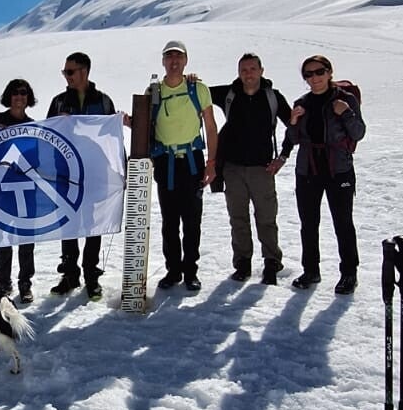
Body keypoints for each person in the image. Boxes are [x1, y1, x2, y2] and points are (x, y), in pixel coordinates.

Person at [279, 55, 365, 294]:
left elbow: (358, 133)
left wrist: (346, 113)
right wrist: (293, 122)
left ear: (329, 72)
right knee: (308, 223)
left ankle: (349, 273)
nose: (314, 78)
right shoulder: (302, 102)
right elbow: (294, 138)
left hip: (339, 170)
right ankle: (311, 270)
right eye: (308, 74)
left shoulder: (344, 99)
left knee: (343, 222)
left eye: (319, 72)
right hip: (308, 170)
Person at [210, 53, 292, 284]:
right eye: (244, 70)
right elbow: (199, 92)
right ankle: (242, 263)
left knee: (266, 219)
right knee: (238, 218)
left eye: (253, 69)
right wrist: (191, 80)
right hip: (233, 168)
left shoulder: (273, 97)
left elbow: (294, 126)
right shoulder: (229, 94)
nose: (248, 74)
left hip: (262, 169)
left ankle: (272, 262)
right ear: (238, 73)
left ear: (261, 71)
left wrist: (283, 156)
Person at [149, 41, 217, 292]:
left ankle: (190, 271)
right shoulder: (154, 91)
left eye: (178, 56)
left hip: (191, 161)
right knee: (169, 221)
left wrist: (212, 162)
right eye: (169, 57)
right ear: (163, 61)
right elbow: (146, 124)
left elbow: (210, 126)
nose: (174, 61)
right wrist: (128, 122)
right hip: (165, 162)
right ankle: (173, 270)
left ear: (186, 60)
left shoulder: (198, 88)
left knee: (191, 220)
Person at [47, 52, 115, 299]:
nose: (66, 76)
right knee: (69, 223)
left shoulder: (103, 101)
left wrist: (120, 169)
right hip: (65, 173)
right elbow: (47, 135)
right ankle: (69, 274)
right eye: (64, 72)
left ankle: (90, 274)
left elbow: (112, 138)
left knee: (92, 224)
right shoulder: (58, 102)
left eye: (70, 71)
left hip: (94, 173)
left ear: (84, 71)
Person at [0, 79, 37, 305]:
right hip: (3, 188)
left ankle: (25, 283)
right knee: (4, 239)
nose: (19, 97)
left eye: (23, 93)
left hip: (26, 188)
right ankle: (3, 283)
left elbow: (36, 158)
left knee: (27, 239)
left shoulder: (33, 125)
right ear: (9, 96)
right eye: (15, 93)